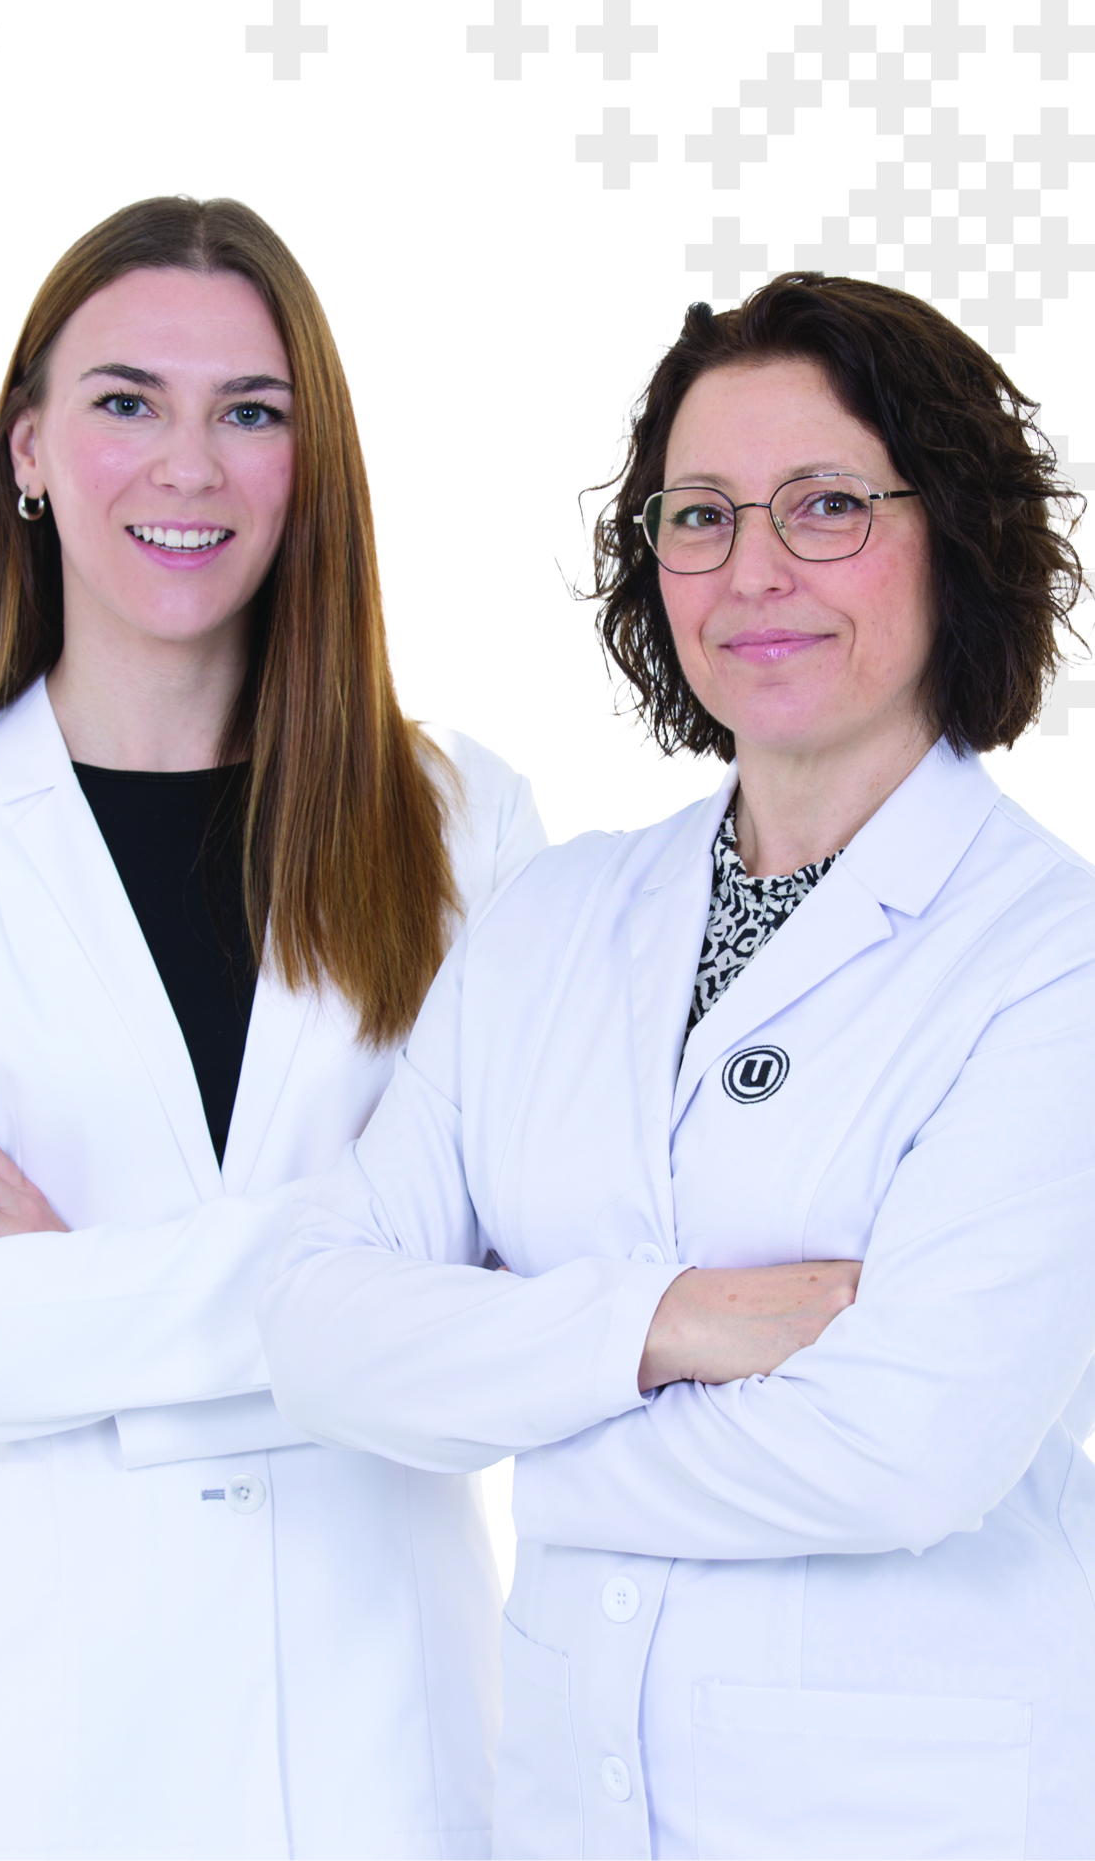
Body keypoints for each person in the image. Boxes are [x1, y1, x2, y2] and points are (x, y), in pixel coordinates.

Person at [259, 273, 1095, 1861]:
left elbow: (904, 1450)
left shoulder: (1051, 958)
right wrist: (658, 1324)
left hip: (912, 1812)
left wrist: (523, 1427)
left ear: (956, 535)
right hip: (574, 1806)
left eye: (826, 505)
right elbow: (314, 1322)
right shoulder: (554, 921)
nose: (753, 570)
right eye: (700, 515)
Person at [0, 195, 545, 1861]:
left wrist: (77, 1285)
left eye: (252, 412)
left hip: (382, 1768)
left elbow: (512, 1322)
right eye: (128, 401)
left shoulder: (463, 824)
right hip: (22, 1767)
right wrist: (365, 1278)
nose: (189, 466)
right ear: (30, 449)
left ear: (311, 459)